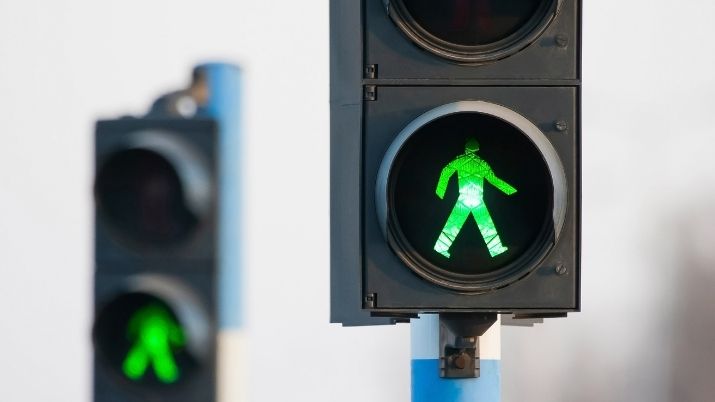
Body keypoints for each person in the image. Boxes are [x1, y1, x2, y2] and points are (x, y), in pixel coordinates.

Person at [433, 138, 517, 258]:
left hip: (463, 199)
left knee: (453, 225)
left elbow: (445, 172)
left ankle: (440, 247)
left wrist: (440, 192)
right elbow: (494, 180)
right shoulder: (482, 163)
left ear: (466, 149)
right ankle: (496, 249)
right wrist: (510, 190)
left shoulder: (459, 161)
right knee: (487, 226)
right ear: (477, 150)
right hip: (477, 199)